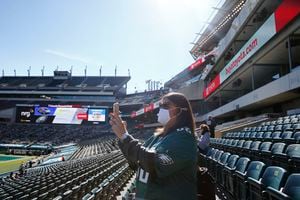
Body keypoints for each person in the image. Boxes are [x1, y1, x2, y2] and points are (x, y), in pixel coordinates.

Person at [110, 92, 198, 200]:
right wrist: (122, 137)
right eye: (160, 106)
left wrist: (125, 136)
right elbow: (136, 161)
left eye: (166, 106)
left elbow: (154, 165)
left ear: (181, 111)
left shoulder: (184, 139)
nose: (161, 109)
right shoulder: (158, 136)